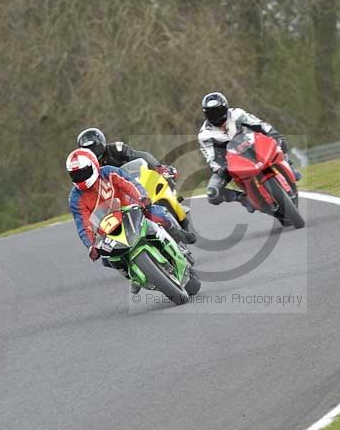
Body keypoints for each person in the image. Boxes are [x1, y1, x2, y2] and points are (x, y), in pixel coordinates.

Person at [66, 148, 195, 293]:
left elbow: (129, 183)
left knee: (157, 213)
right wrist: (91, 246)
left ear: (94, 165)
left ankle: (180, 234)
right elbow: (83, 224)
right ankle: (132, 276)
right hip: (107, 227)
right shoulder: (75, 197)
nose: (81, 177)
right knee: (106, 259)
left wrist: (141, 197)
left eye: (83, 172)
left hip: (131, 210)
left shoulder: (109, 172)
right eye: (75, 175)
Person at [197, 91, 301, 210]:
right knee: (212, 194)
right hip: (229, 163)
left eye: (218, 111)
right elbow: (210, 157)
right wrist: (220, 168)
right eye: (211, 113)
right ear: (206, 114)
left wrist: (273, 134)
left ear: (225, 107)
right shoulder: (204, 135)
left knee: (280, 143)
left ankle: (289, 166)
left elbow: (258, 124)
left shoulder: (237, 114)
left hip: (252, 146)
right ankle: (242, 198)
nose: (215, 116)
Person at [76, 128, 178, 189]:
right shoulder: (85, 165)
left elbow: (138, 156)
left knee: (161, 179)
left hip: (135, 182)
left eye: (93, 146)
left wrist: (157, 168)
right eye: (87, 148)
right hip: (111, 195)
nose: (92, 150)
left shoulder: (116, 149)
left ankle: (161, 170)